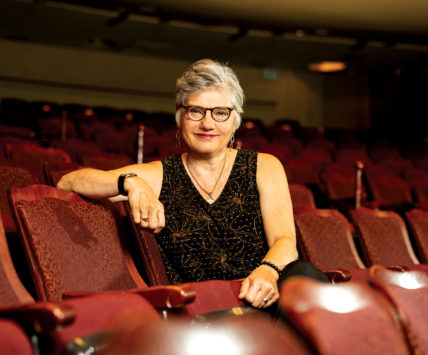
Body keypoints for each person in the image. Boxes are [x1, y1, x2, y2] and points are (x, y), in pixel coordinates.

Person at [57, 59, 327, 311]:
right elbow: (68, 182)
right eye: (195, 111)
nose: (207, 123)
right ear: (179, 118)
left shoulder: (264, 167)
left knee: (305, 275)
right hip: (201, 314)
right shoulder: (160, 175)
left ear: (235, 121)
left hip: (263, 300)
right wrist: (131, 183)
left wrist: (268, 271)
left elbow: (285, 242)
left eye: (220, 113)